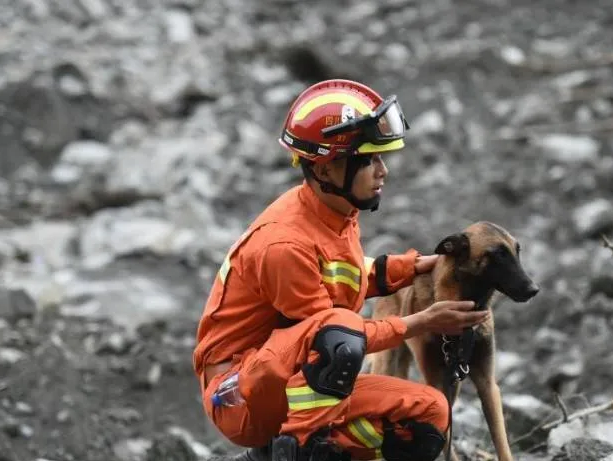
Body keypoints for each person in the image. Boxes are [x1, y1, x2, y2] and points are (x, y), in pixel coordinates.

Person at [192, 79, 489, 461]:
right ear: (328, 169)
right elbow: (332, 333)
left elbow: (345, 278)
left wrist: (413, 267)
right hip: (239, 395)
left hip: (285, 374)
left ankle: (291, 451)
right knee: (340, 338)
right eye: (368, 160)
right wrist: (422, 322)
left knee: (429, 415)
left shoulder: (335, 211)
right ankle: (294, 449)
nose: (382, 171)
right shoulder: (284, 243)